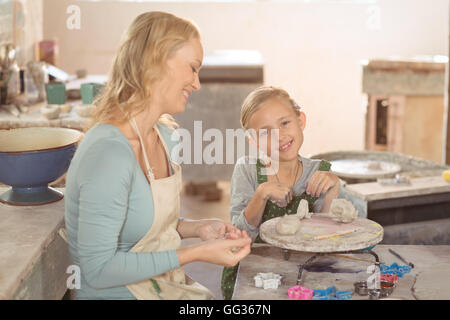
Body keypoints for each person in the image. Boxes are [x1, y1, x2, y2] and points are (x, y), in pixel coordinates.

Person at [64, 11, 251, 300]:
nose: (197, 83)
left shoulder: (163, 136)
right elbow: (98, 270)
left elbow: (141, 225)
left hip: (160, 287)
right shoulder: (108, 154)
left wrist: (197, 228)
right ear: (157, 61)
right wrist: (196, 253)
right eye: (192, 68)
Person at [221, 85, 340, 300]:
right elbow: (239, 236)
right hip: (255, 277)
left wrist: (333, 189)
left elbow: (326, 238)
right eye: (265, 132)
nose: (280, 136)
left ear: (301, 120)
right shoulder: (247, 170)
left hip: (304, 275)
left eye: (285, 123)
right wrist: (261, 194)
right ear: (253, 141)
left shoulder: (318, 172)